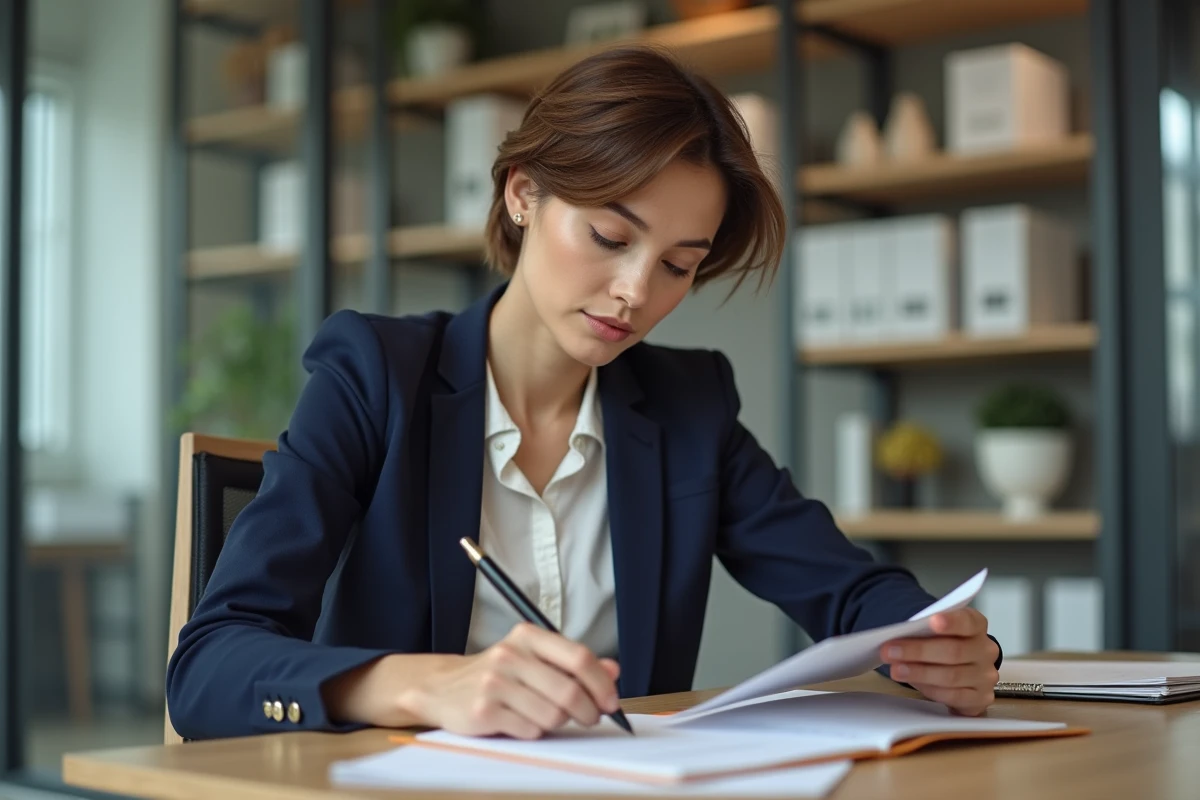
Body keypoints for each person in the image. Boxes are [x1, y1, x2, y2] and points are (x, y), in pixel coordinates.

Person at [165, 45, 1001, 742]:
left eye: (679, 264)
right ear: (523, 193)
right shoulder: (375, 376)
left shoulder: (688, 407)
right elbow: (209, 665)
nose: (637, 292)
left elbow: (851, 592)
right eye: (609, 236)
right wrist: (426, 689)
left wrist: (940, 640)